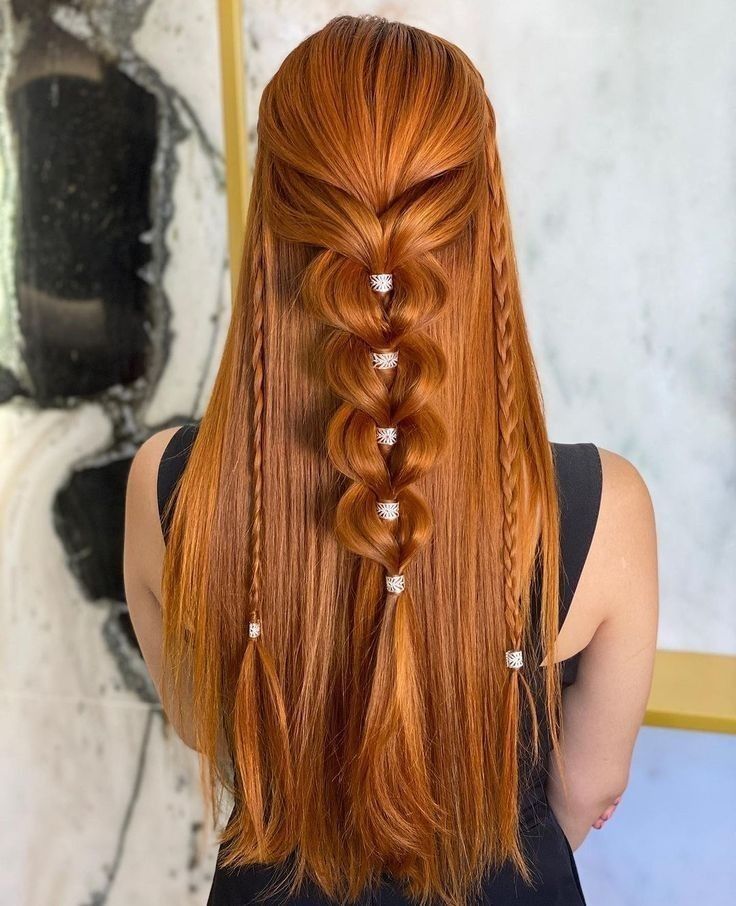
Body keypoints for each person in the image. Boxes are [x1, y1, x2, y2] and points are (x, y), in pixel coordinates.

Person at [124, 15, 658, 905]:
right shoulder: (605, 507)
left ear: (274, 217)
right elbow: (592, 784)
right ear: (482, 220)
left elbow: (203, 723)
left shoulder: (167, 486)